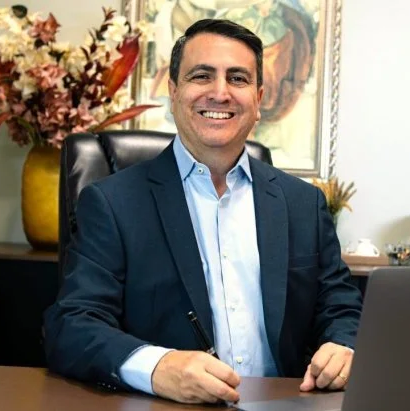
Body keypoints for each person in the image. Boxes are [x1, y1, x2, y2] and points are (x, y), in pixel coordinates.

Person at [43, 18, 363, 405]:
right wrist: (157, 367)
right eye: (202, 76)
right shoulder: (112, 203)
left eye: (238, 79)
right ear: (174, 92)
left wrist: (343, 344)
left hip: (287, 403)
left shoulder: (303, 204)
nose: (220, 93)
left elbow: (340, 306)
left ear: (259, 99)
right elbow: (72, 324)